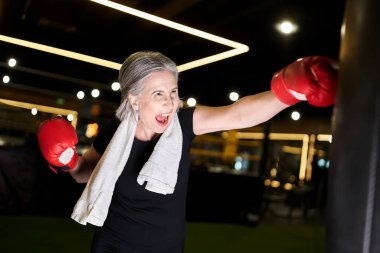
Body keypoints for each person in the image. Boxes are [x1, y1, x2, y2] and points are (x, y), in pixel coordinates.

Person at [37, 51, 338, 253]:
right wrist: (66, 161)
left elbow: (238, 114)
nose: (170, 103)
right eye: (158, 94)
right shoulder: (114, 131)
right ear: (134, 100)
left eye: (173, 92)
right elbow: (84, 174)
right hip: (113, 246)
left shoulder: (182, 124)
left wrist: (290, 91)